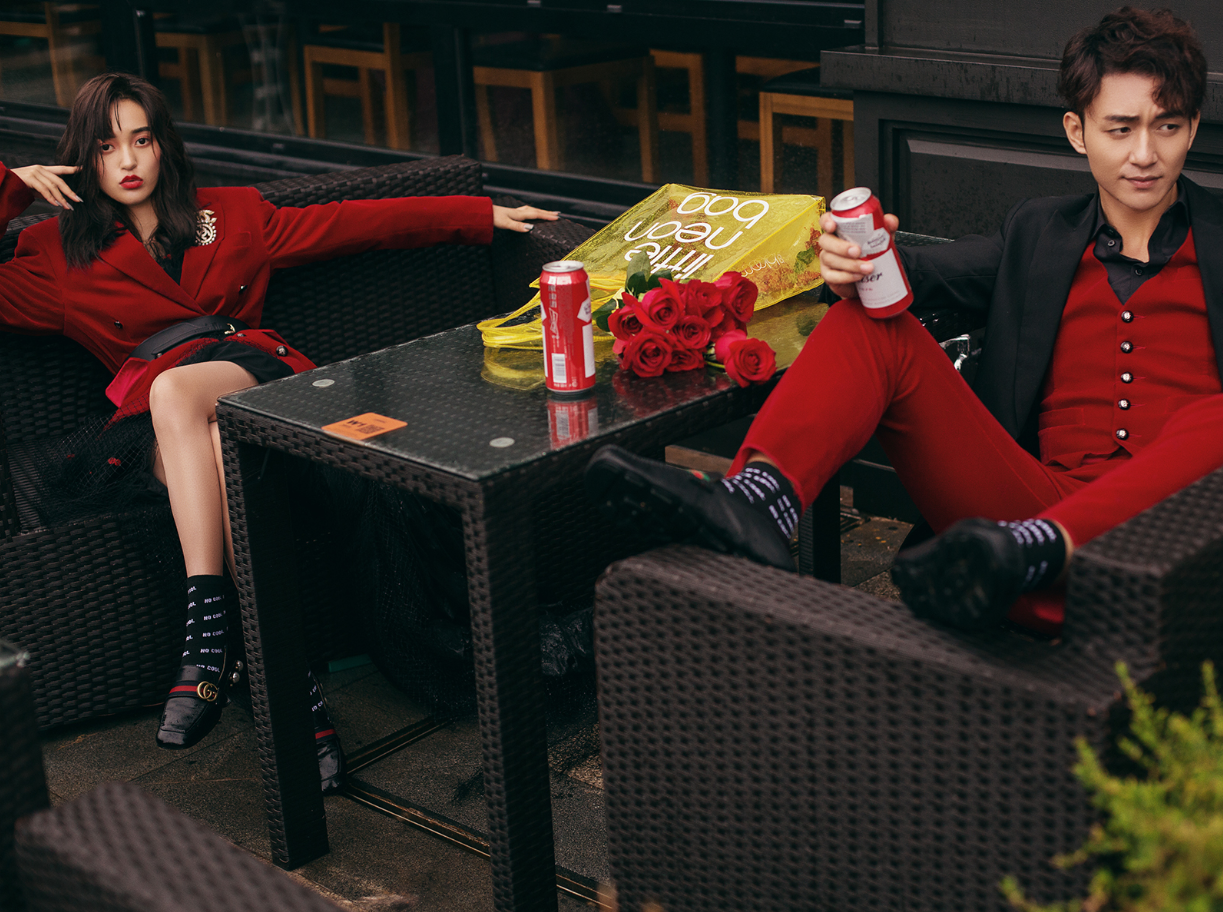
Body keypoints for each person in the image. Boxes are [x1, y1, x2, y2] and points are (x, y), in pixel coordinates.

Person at [586, 6, 1223, 636]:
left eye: (1166, 126)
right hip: (1013, 534)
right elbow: (915, 274)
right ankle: (760, 501)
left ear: (1192, 128)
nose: (1145, 153)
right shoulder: (1040, 232)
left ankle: (1044, 551)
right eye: (1120, 129)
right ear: (1078, 132)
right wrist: (855, 264)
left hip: (1186, 546)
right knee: (867, 322)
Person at [0, 72, 557, 792]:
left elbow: (357, 222)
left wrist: (477, 215)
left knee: (176, 390)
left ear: (164, 146)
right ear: (82, 157)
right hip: (168, 430)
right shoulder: (55, 252)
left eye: (142, 139)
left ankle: (206, 632)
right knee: (198, 441)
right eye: (107, 147)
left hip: (255, 378)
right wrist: (11, 188)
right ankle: (294, 695)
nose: (129, 161)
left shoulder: (232, 214)